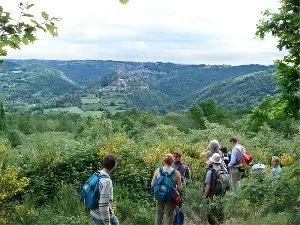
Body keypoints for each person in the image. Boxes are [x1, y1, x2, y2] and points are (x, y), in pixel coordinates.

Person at [151, 153, 183, 225]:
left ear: (164, 161)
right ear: (172, 161)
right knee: (169, 215)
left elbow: (152, 184)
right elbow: (180, 188)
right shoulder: (177, 173)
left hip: (159, 195)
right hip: (170, 197)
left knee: (159, 214)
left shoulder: (158, 170)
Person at [90, 155, 119, 225]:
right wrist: (107, 223)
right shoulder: (106, 181)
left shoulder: (97, 174)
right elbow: (103, 204)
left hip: (93, 212)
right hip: (101, 217)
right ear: (114, 166)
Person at [204, 153, 227, 225]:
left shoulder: (210, 172)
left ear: (212, 162)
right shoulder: (224, 171)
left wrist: (204, 196)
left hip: (213, 196)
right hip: (222, 195)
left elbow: (208, 187)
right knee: (220, 213)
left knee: (211, 215)